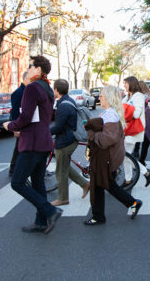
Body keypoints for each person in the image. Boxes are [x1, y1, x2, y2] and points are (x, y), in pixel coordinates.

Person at [3, 56, 61, 234]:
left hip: (32, 143)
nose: (28, 69)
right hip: (43, 141)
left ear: (38, 70)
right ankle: (41, 222)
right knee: (38, 184)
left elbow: (26, 117)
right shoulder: (47, 88)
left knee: (17, 182)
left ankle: (50, 210)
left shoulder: (33, 88)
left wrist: (10, 125)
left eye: (30, 66)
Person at [84, 85, 142, 225]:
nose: (99, 97)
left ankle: (99, 216)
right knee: (106, 185)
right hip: (107, 157)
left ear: (109, 98)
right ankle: (130, 204)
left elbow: (106, 140)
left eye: (102, 96)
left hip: (106, 157)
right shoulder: (109, 113)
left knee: (103, 185)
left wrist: (92, 133)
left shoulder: (110, 115)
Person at [49, 78, 90, 206]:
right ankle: (85, 184)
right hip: (70, 139)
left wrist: (44, 133)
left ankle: (62, 198)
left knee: (60, 171)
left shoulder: (63, 105)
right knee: (65, 167)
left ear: (56, 90)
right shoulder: (68, 100)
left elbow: (58, 127)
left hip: (65, 142)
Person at [122, 76, 150, 186]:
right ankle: (139, 175)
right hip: (127, 130)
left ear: (131, 84)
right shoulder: (127, 97)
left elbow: (136, 113)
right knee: (126, 155)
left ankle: (136, 176)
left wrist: (123, 107)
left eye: (125, 83)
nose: (124, 86)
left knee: (125, 155)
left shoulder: (138, 96)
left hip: (134, 130)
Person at [8, 72, 30, 177]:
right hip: (21, 125)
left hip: (27, 124)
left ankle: (14, 168)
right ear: (25, 79)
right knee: (19, 148)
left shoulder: (28, 91)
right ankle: (13, 169)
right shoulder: (18, 93)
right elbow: (15, 112)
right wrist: (15, 128)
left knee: (21, 147)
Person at [131, 81, 150, 159]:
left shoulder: (142, 96)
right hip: (144, 118)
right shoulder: (147, 96)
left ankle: (137, 152)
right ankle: (140, 156)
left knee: (140, 136)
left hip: (141, 118)